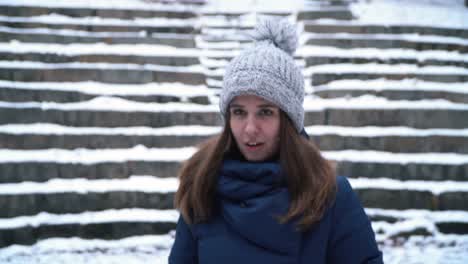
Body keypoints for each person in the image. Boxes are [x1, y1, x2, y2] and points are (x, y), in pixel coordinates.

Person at [168, 17, 383, 264]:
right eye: (239, 112)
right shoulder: (202, 187)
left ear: (288, 121)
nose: (250, 128)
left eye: (265, 112)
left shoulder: (330, 196)